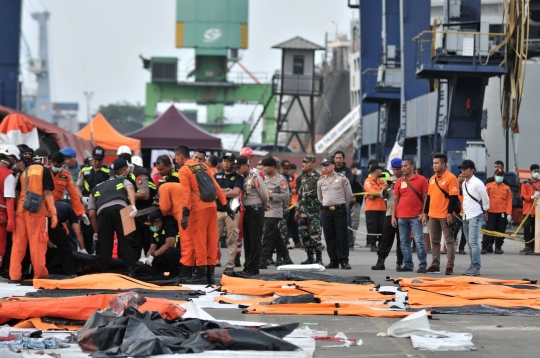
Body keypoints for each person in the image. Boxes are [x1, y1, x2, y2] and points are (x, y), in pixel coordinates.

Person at [177, 145, 231, 284]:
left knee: (199, 241)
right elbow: (216, 187)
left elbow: (186, 194)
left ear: (180, 157)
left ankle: (200, 274)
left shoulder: (184, 170)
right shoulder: (204, 167)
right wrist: (225, 205)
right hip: (212, 206)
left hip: (198, 209)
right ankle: (210, 275)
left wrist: (185, 212)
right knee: (212, 240)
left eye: (176, 158)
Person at [9, 148, 58, 283]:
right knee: (38, 243)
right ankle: (40, 275)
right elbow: (47, 193)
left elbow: (17, 193)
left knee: (18, 244)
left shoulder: (24, 171)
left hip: (20, 210)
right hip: (37, 211)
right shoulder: (44, 171)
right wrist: (53, 212)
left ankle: (14, 275)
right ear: (44, 159)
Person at [88, 158, 138, 275]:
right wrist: (133, 206)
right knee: (127, 241)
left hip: (103, 212)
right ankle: (130, 270)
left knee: (105, 244)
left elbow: (91, 214)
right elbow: (130, 188)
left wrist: (96, 232)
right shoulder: (122, 180)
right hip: (123, 208)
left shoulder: (95, 188)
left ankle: (103, 272)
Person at [422, 154, 460, 275]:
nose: (434, 165)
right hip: (433, 214)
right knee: (435, 241)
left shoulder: (451, 178)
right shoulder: (432, 179)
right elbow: (428, 197)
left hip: (445, 214)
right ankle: (435, 264)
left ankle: (449, 265)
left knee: (449, 241)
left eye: (437, 163)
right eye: (433, 163)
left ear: (444, 164)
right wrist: (425, 213)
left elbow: (453, 198)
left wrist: (449, 213)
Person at [233, 155, 268, 275]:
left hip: (256, 210)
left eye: (238, 167)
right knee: (247, 240)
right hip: (247, 210)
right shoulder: (242, 177)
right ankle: (248, 266)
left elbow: (264, 194)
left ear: (246, 166)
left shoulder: (255, 177)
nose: (237, 169)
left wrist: (265, 204)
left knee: (255, 240)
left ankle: (253, 267)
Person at [392, 159, 429, 273]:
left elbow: (426, 198)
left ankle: (422, 265)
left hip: (415, 217)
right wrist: (393, 216)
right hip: (401, 216)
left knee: (419, 241)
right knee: (404, 242)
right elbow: (395, 200)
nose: (402, 168)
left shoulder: (422, 180)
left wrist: (424, 213)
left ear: (412, 167)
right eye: (402, 166)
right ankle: (408, 264)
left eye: (405, 166)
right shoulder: (399, 181)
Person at [317, 157, 353, 269]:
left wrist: (342, 205)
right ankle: (333, 260)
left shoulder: (342, 178)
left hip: (339, 210)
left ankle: (344, 260)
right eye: (324, 165)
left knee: (341, 236)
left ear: (333, 165)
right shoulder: (321, 181)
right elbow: (320, 197)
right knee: (329, 237)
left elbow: (349, 194)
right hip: (327, 212)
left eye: (327, 165)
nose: (325, 167)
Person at [260, 157, 293, 268]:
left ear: (273, 167)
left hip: (275, 211)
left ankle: (263, 259)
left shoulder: (281, 180)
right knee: (276, 236)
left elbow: (286, 195)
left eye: (266, 166)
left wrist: (272, 195)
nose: (264, 168)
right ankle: (286, 256)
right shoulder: (263, 178)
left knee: (268, 235)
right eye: (263, 166)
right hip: (265, 211)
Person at [76, 146, 110, 253]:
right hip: (87, 206)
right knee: (87, 234)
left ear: (103, 158)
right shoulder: (84, 170)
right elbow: (77, 187)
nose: (97, 162)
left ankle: (100, 258)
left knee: (101, 234)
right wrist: (82, 197)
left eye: (99, 160)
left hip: (101, 206)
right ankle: (87, 260)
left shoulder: (107, 172)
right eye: (95, 159)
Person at [372, 158, 404, 270]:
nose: (396, 172)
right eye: (394, 169)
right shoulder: (390, 179)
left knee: (402, 240)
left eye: (398, 169)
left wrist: (397, 189)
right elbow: (383, 196)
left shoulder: (406, 180)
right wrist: (385, 189)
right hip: (390, 213)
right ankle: (380, 262)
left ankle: (400, 263)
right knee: (386, 239)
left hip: (403, 214)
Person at [214, 152, 243, 274]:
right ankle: (211, 262)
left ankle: (230, 265)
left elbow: (235, 192)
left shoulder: (238, 177)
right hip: (218, 211)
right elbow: (212, 190)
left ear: (233, 163)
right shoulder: (216, 176)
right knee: (214, 239)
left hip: (232, 211)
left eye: (229, 161)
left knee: (232, 239)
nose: (226, 163)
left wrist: (219, 193)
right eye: (224, 160)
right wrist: (227, 191)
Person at [460, 159, 490, 276]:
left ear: (472, 170)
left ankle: (476, 267)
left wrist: (486, 211)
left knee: (473, 242)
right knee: (469, 242)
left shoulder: (478, 183)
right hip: (466, 215)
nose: (463, 171)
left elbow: (485, 198)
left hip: (475, 215)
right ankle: (473, 266)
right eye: (462, 169)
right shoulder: (464, 184)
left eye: (465, 169)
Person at [295, 155, 325, 265]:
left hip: (314, 212)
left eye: (307, 162)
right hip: (303, 211)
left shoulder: (318, 178)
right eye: (303, 162)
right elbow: (300, 195)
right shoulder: (303, 177)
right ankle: (310, 258)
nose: (304, 164)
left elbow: (322, 195)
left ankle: (319, 258)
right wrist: (297, 209)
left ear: (313, 164)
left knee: (315, 235)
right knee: (305, 235)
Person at [46, 201, 85, 277]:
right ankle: (69, 273)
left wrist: (47, 240)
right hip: (53, 219)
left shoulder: (56, 203)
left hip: (40, 218)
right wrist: (82, 248)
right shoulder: (70, 210)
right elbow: (78, 232)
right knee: (66, 248)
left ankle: (47, 270)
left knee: (49, 247)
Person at [481, 169, 512, 254]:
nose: (499, 176)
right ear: (494, 176)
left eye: (501, 175)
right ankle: (485, 246)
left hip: (502, 212)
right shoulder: (489, 186)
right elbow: (484, 199)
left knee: (501, 230)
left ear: (503, 176)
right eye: (498, 175)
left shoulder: (506, 188)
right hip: (491, 211)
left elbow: (509, 201)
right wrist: (485, 211)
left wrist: (509, 213)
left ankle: (498, 247)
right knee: (488, 229)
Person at [143, 211, 181, 276]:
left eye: (152, 224)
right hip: (165, 256)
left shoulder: (170, 227)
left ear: (159, 223)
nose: (151, 226)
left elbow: (169, 244)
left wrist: (153, 255)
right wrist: (148, 258)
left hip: (178, 254)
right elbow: (152, 248)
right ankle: (158, 274)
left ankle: (177, 273)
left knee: (170, 251)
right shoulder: (155, 230)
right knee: (153, 261)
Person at [0, 145, 19, 267]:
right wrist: (11, 219)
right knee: (1, 246)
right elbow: (9, 199)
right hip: (1, 216)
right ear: (11, 158)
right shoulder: (8, 175)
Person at [364, 164, 387, 251]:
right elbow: (372, 191)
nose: (382, 171)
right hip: (372, 208)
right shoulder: (368, 181)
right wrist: (378, 193)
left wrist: (377, 193)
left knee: (382, 227)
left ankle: (381, 244)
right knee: (373, 227)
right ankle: (373, 244)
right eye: (380, 169)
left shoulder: (381, 181)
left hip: (382, 208)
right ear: (376, 170)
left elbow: (385, 191)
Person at [519, 164, 540, 254]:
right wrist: (531, 197)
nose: (536, 173)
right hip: (528, 210)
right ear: (530, 172)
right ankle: (528, 246)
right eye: (535, 171)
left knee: (536, 230)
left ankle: (536, 246)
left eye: (538, 172)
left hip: (537, 211)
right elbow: (523, 196)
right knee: (527, 228)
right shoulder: (525, 183)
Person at [286, 163, 301, 248]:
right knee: (287, 224)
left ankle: (297, 241)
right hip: (288, 203)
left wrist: (292, 190)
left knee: (294, 223)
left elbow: (297, 189)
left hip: (294, 203)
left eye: (290, 169)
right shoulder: (286, 177)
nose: (289, 170)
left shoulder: (296, 177)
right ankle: (287, 241)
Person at [350, 162, 364, 245]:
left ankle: (352, 239)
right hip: (354, 202)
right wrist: (352, 196)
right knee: (354, 221)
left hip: (358, 201)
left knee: (355, 221)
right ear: (353, 168)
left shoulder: (356, 177)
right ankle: (352, 239)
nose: (359, 170)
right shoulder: (350, 177)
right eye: (358, 168)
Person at [454, 172, 467, 255]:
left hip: (466, 213)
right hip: (456, 213)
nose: (461, 178)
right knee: (455, 229)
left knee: (465, 231)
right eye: (459, 176)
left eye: (463, 177)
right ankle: (451, 246)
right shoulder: (454, 187)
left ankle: (461, 248)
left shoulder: (468, 187)